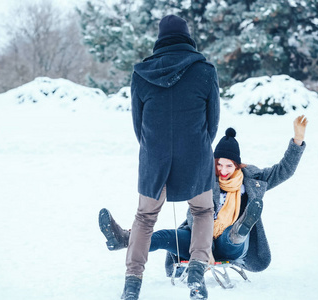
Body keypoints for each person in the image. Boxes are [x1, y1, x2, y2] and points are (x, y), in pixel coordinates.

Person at [99, 115, 308, 298]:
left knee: (233, 236)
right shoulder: (203, 178)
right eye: (219, 164)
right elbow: (193, 212)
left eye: (229, 165)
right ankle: (125, 239)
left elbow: (283, 171)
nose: (223, 170)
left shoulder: (251, 179)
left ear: (237, 165)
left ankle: (243, 226)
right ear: (213, 162)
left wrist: (297, 141)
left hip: (230, 245)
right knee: (163, 236)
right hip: (197, 239)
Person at [99, 14, 220, 300]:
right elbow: (212, 121)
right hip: (196, 154)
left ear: (160, 39)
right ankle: (196, 273)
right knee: (203, 212)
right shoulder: (205, 71)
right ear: (187, 37)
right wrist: (198, 145)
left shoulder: (141, 74)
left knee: (144, 217)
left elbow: (137, 125)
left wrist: (155, 148)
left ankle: (132, 283)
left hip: (154, 159)